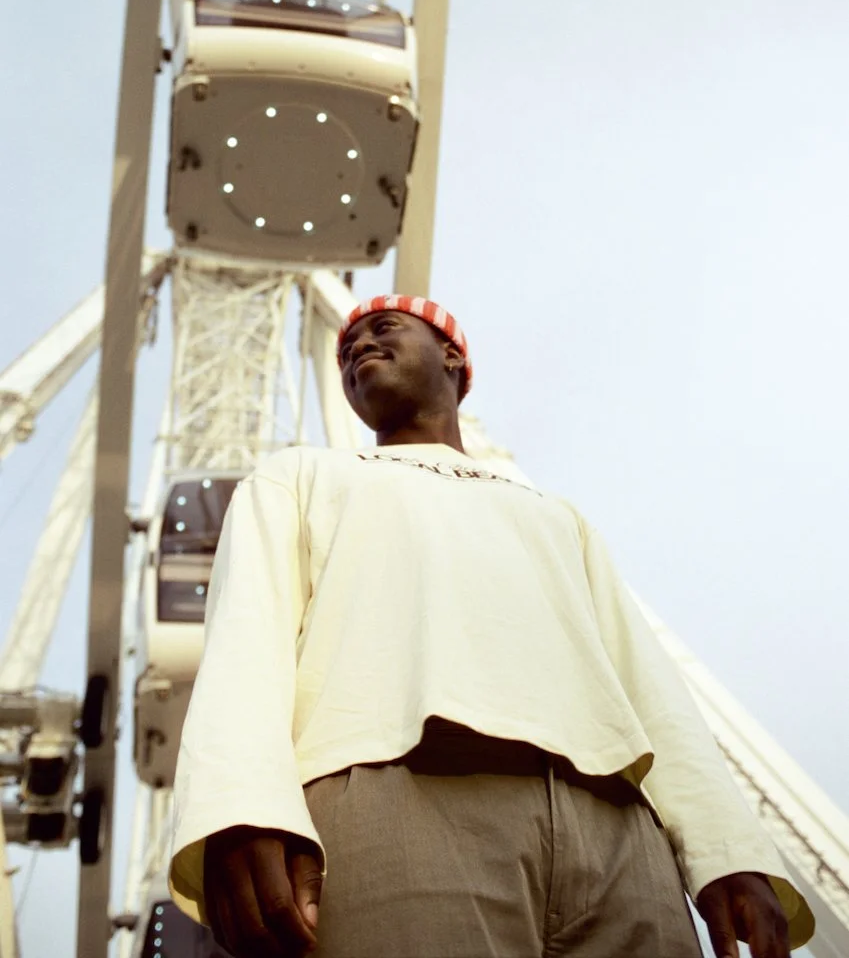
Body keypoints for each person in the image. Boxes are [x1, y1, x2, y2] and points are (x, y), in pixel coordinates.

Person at [168, 294, 815, 958]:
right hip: (395, 794)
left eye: (382, 329)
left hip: (619, 834)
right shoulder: (299, 476)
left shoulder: (554, 515)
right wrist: (241, 809)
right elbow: (249, 637)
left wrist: (726, 852)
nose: (357, 346)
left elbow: (647, 686)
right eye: (346, 347)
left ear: (452, 355)